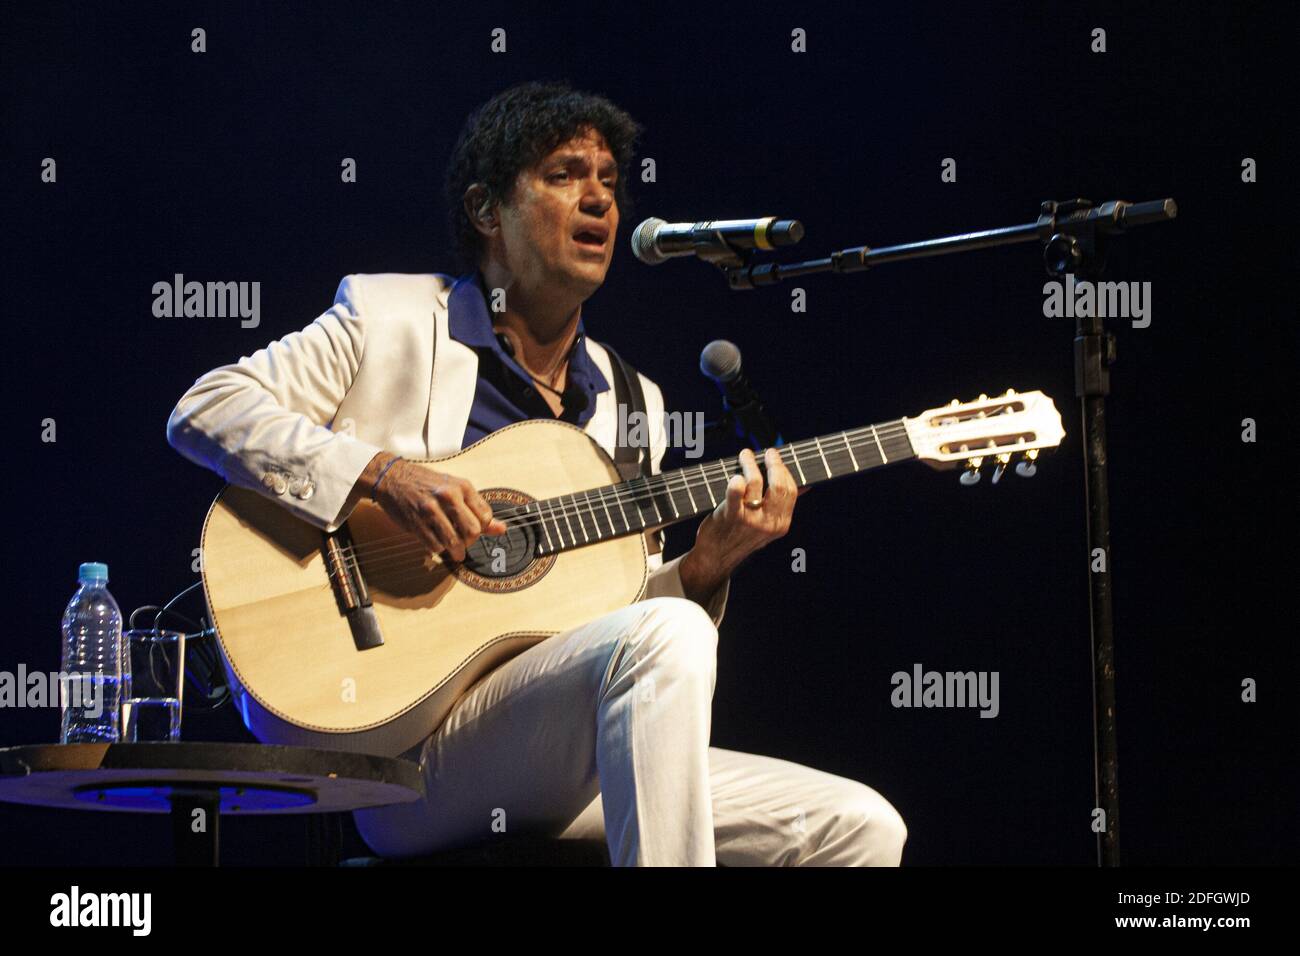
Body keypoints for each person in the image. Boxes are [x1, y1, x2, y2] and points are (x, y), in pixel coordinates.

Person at [166, 81, 906, 866]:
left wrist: (703, 566)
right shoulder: (386, 320)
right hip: (402, 764)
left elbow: (611, 619)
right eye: (564, 175)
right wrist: (382, 476)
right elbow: (206, 407)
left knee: (859, 826)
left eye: (611, 183)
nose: (599, 201)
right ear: (488, 211)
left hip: (548, 744)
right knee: (670, 634)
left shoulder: (632, 402)